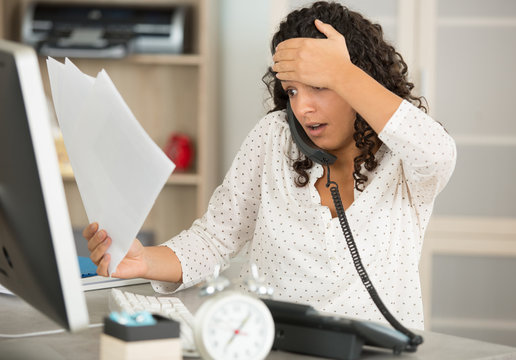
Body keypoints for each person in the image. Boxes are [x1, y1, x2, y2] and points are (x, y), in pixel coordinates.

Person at [84, 1, 456, 330]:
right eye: (292, 90)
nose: (302, 107)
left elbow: (438, 153)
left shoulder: (405, 158)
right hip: (264, 342)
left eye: (319, 87)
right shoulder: (275, 136)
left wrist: (341, 72)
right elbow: (215, 238)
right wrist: (144, 260)